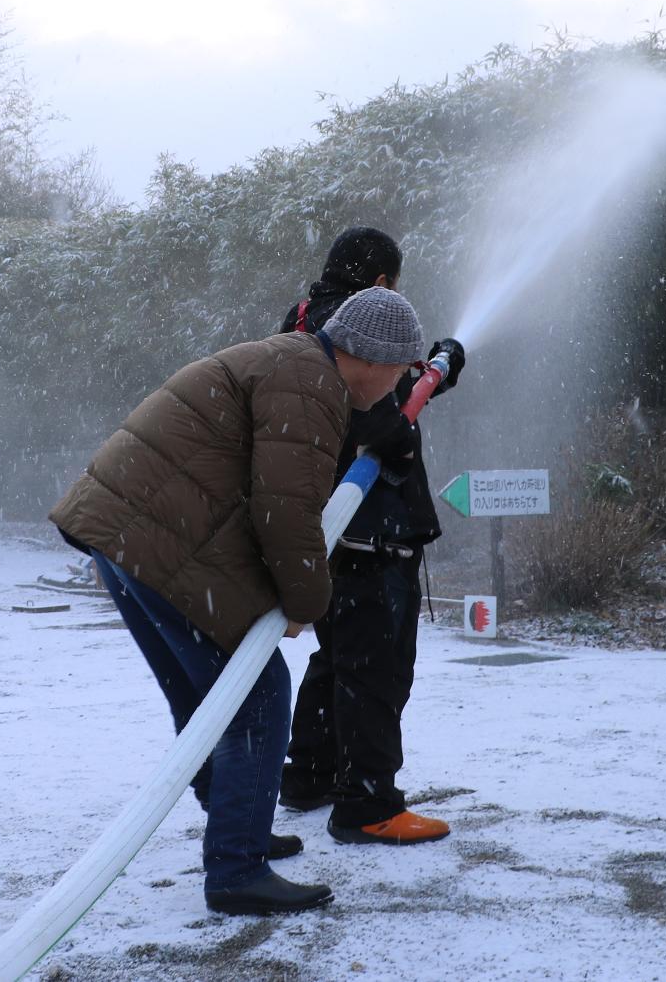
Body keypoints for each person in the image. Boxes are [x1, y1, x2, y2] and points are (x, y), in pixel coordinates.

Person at [51, 286, 427, 915]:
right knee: (258, 696)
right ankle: (236, 867)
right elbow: (285, 511)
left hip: (125, 538)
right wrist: (307, 601)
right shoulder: (310, 386)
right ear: (373, 357)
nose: (400, 383)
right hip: (155, 543)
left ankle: (237, 826)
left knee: (207, 703)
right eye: (403, 368)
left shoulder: (293, 363)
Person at [276, 227, 466, 846]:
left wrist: (435, 373)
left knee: (337, 660)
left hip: (332, 530)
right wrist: (412, 414)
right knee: (379, 666)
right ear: (380, 282)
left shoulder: (302, 323)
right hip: (372, 530)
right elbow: (384, 425)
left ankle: (308, 777)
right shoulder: (354, 332)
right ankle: (368, 804)